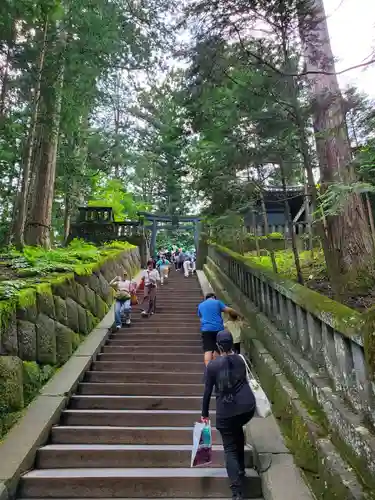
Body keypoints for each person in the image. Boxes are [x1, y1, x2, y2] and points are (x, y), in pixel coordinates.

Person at [201, 330, 256, 500]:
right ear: (232, 344)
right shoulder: (240, 359)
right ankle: (240, 469)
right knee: (237, 429)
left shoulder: (212, 366)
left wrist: (204, 414)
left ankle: (236, 491)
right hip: (247, 407)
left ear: (217, 346)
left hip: (226, 411)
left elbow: (207, 392)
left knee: (229, 448)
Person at [197, 293, 240, 365]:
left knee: (208, 349)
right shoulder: (217, 302)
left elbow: (200, 317)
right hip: (218, 329)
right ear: (214, 297)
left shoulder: (201, 305)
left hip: (206, 330)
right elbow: (228, 310)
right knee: (218, 349)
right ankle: (217, 366)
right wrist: (238, 315)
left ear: (206, 298)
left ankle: (208, 368)